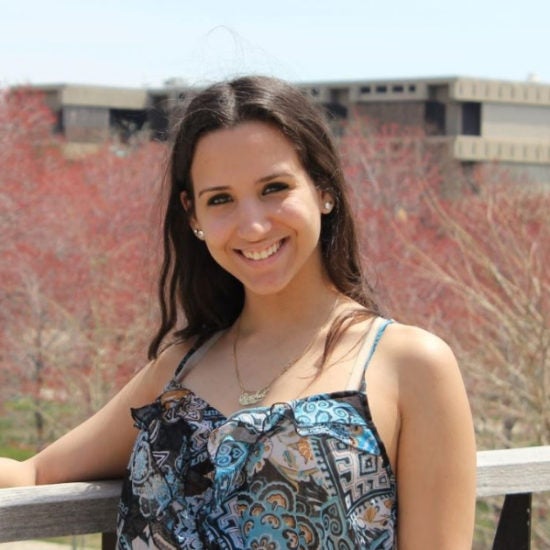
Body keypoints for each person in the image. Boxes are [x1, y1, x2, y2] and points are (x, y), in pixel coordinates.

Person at [0, 75, 476, 549]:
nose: (252, 225)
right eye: (221, 199)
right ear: (194, 217)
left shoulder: (410, 365)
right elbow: (35, 472)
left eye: (274, 187)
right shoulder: (179, 369)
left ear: (324, 189)